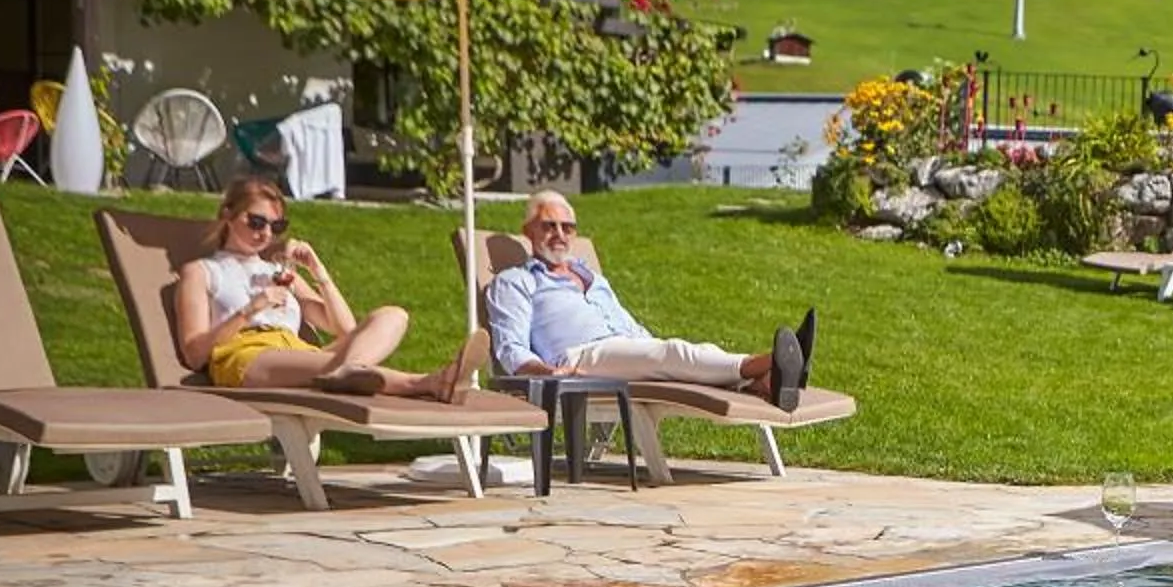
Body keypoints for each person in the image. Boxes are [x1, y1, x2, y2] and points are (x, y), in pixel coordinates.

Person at [485, 191, 813, 407]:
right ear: (527, 230)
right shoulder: (514, 282)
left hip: (623, 349)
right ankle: (773, 361)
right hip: (576, 360)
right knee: (674, 354)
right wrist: (545, 372)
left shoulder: (592, 279)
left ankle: (764, 384)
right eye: (549, 225)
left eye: (568, 227)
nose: (559, 234)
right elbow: (509, 347)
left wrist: (651, 346)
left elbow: (626, 324)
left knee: (682, 354)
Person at [175, 178, 490, 400]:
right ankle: (430, 382)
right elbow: (194, 353)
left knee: (393, 316)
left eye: (277, 226)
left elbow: (345, 329)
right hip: (245, 355)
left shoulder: (279, 272)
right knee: (332, 365)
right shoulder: (203, 272)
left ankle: (364, 374)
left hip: (294, 351)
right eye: (257, 222)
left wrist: (318, 273)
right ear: (228, 214)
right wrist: (251, 309)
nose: (267, 233)